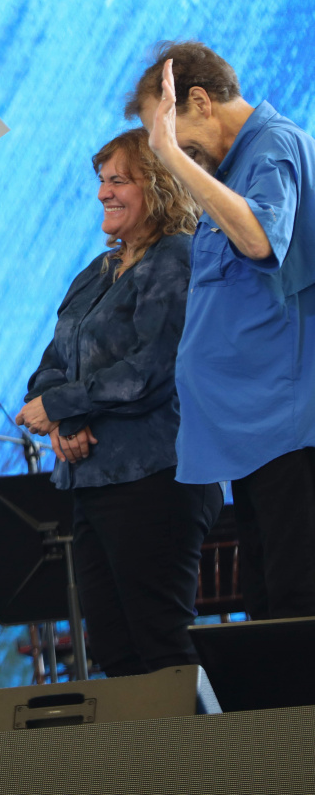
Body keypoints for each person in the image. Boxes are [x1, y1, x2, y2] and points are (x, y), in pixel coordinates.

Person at [16, 128, 222, 676]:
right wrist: (61, 418)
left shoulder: (177, 258)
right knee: (114, 651)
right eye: (102, 181)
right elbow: (51, 364)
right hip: (93, 484)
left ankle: (214, 737)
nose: (103, 192)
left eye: (119, 181)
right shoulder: (98, 270)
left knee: (161, 646)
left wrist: (63, 407)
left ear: (159, 186)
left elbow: (150, 371)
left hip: (156, 479)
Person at [128, 41, 315, 620]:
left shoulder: (274, 147)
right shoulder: (230, 173)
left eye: (169, 133)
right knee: (266, 604)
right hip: (251, 435)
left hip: (287, 428)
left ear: (202, 102)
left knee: (296, 603)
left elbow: (260, 239)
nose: (167, 151)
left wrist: (174, 158)